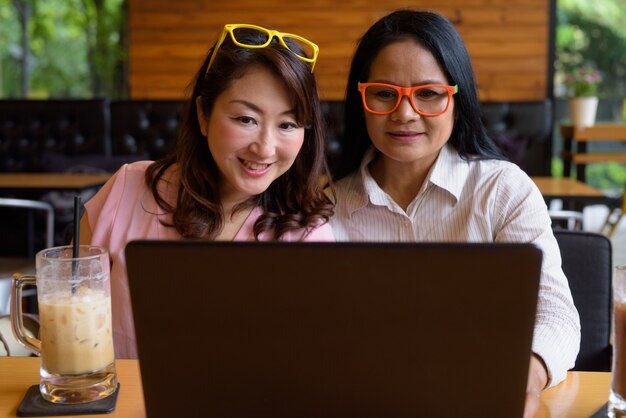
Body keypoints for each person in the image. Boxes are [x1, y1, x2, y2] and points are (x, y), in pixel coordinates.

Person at [330, 9, 580, 417]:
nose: (405, 113)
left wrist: (525, 376)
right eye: (383, 93)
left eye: (428, 93)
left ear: (456, 102)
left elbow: (556, 316)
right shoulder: (328, 207)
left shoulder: (503, 190)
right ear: (361, 101)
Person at [80, 23, 334, 359]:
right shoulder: (128, 189)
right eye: (246, 119)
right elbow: (68, 321)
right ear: (203, 114)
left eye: (287, 124)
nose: (265, 148)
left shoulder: (309, 236)